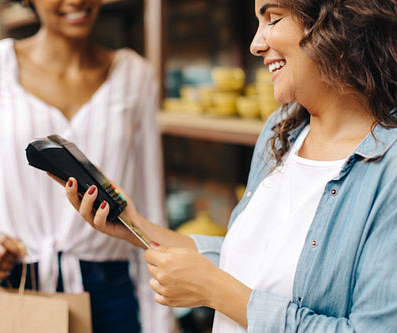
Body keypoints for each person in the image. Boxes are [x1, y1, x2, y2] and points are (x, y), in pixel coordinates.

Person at [62, 0, 397, 332]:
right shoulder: (282, 131)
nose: (256, 44)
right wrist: (135, 225)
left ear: (337, 21)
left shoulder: (389, 169)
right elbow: (250, 261)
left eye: (273, 18)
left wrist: (215, 291)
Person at [0, 0, 175, 332]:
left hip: (112, 293)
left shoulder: (134, 74)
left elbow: (148, 207)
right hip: (17, 286)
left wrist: (160, 322)